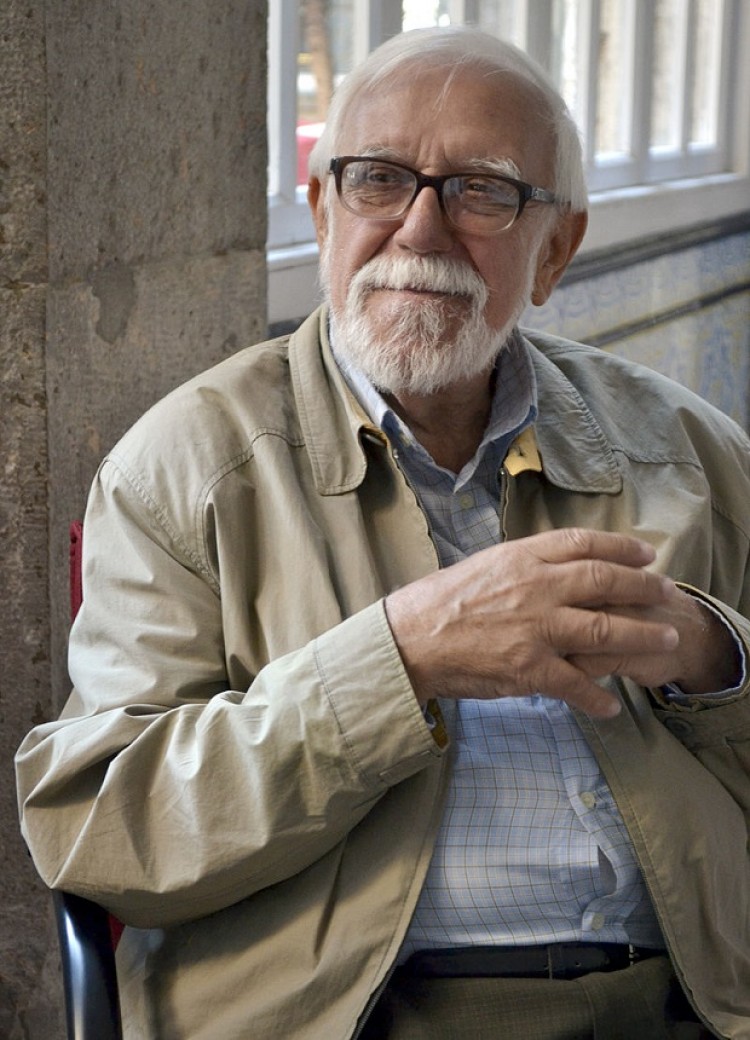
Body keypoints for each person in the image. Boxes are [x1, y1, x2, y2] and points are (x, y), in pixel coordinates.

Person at [15, 25, 750, 1040]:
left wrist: (716, 660)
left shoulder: (693, 453)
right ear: (323, 212)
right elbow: (104, 834)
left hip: (692, 999)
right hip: (352, 1016)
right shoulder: (183, 466)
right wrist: (399, 659)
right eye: (378, 180)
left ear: (556, 249)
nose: (420, 230)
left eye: (482, 190)